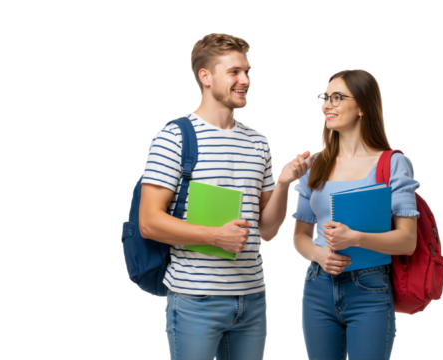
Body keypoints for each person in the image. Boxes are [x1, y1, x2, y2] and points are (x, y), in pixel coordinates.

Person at [139, 33, 313, 360]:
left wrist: (284, 183)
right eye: (234, 72)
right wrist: (215, 236)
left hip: (251, 298)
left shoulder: (259, 143)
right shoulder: (174, 136)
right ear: (205, 76)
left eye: (248, 71)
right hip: (195, 300)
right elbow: (149, 222)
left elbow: (267, 230)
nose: (245, 80)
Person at [291, 69, 420, 360]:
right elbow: (299, 237)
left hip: (370, 290)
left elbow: (407, 241)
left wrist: (356, 238)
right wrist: (320, 255)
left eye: (337, 98)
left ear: (362, 106)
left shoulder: (393, 164)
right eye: (325, 98)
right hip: (318, 286)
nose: (327, 105)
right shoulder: (314, 165)